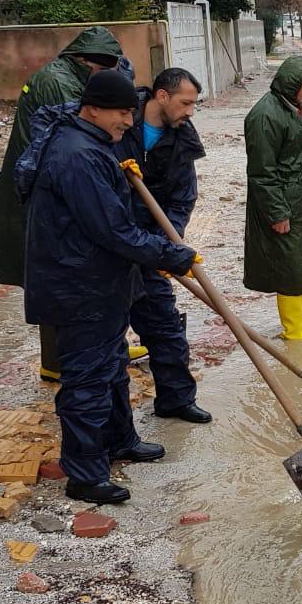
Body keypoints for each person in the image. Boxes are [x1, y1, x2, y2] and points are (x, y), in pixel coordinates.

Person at [17, 70, 197, 505]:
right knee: (88, 380)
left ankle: (120, 441)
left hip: (99, 280)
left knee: (112, 365)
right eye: (120, 114)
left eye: (130, 114)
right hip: (79, 285)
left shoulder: (94, 145)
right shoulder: (78, 156)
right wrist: (171, 255)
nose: (126, 122)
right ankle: (85, 475)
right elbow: (113, 230)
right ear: (92, 109)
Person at [0, 27, 125, 382]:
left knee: (58, 274)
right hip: (41, 192)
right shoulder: (59, 83)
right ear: (86, 61)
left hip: (45, 185)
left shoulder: (63, 76)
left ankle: (77, 355)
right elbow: (82, 129)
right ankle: (61, 362)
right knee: (56, 276)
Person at [112, 68, 211, 423]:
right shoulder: (121, 123)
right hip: (112, 243)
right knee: (108, 338)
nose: (190, 111)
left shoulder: (182, 138)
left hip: (152, 244)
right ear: (162, 96)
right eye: (185, 103)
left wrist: (170, 243)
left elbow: (183, 199)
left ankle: (176, 400)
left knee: (165, 325)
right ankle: (116, 427)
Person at [244, 56, 302, 339]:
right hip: (285, 205)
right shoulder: (264, 116)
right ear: (289, 83)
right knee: (290, 267)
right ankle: (293, 330)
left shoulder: (301, 110)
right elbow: (262, 172)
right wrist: (277, 213)